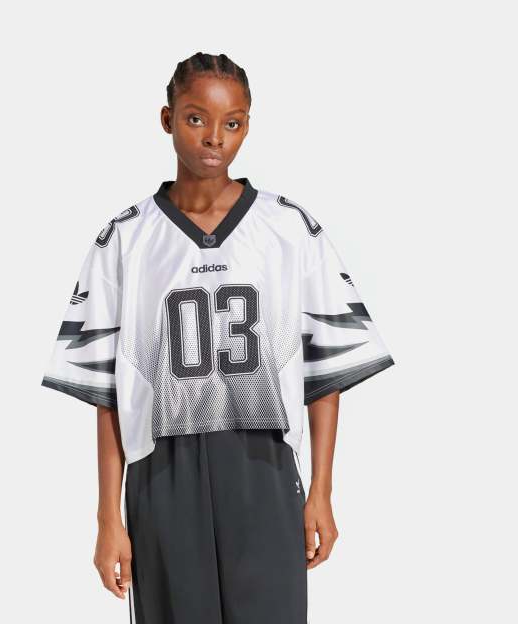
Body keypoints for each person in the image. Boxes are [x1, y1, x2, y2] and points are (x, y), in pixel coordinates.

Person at [41, 52, 395, 624]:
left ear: (247, 126)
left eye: (232, 123)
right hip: (162, 471)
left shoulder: (288, 229)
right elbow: (107, 392)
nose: (214, 138)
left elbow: (324, 372)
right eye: (195, 118)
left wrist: (322, 491)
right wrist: (109, 518)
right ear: (167, 119)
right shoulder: (126, 239)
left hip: (263, 463)